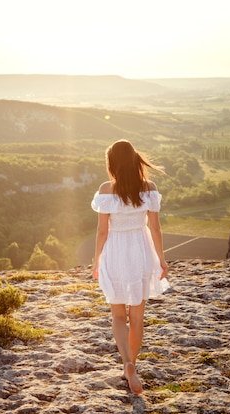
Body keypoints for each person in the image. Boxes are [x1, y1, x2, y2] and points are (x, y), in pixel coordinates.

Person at [91, 139, 169, 395]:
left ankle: (126, 363)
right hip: (141, 250)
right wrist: (161, 259)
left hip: (115, 250)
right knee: (137, 318)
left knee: (117, 316)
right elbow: (155, 228)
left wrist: (97, 261)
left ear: (112, 164)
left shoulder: (105, 190)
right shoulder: (149, 188)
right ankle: (132, 365)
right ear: (135, 160)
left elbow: (102, 231)